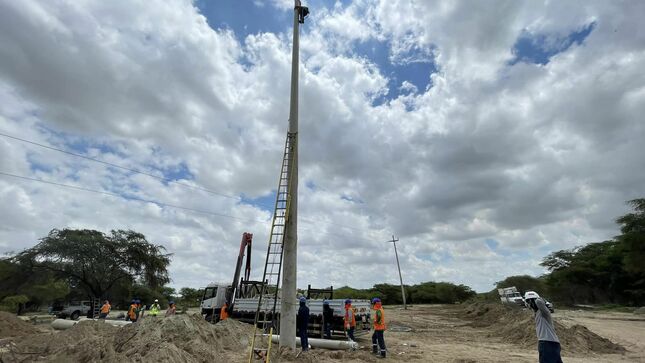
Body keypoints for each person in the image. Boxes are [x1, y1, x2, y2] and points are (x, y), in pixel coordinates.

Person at [524, 291, 562, 363]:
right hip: (551, 343)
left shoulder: (543, 312)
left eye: (528, 302)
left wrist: (539, 300)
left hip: (547, 343)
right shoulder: (538, 312)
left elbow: (539, 301)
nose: (527, 305)